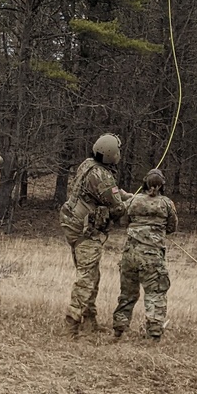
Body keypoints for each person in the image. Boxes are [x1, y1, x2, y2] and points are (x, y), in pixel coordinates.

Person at [58, 132, 127, 335]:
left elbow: (108, 192)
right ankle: (71, 325)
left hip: (72, 225)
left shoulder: (88, 164)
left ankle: (89, 321)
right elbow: (118, 208)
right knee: (87, 278)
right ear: (112, 155)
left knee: (92, 275)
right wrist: (131, 203)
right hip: (86, 232)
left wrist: (123, 195)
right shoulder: (103, 176)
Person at [112, 167, 178, 343]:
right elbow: (172, 227)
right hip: (152, 257)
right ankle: (154, 334)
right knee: (155, 293)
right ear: (162, 185)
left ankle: (119, 329)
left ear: (145, 183)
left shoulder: (133, 202)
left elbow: (123, 221)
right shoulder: (167, 204)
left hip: (130, 255)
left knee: (127, 294)